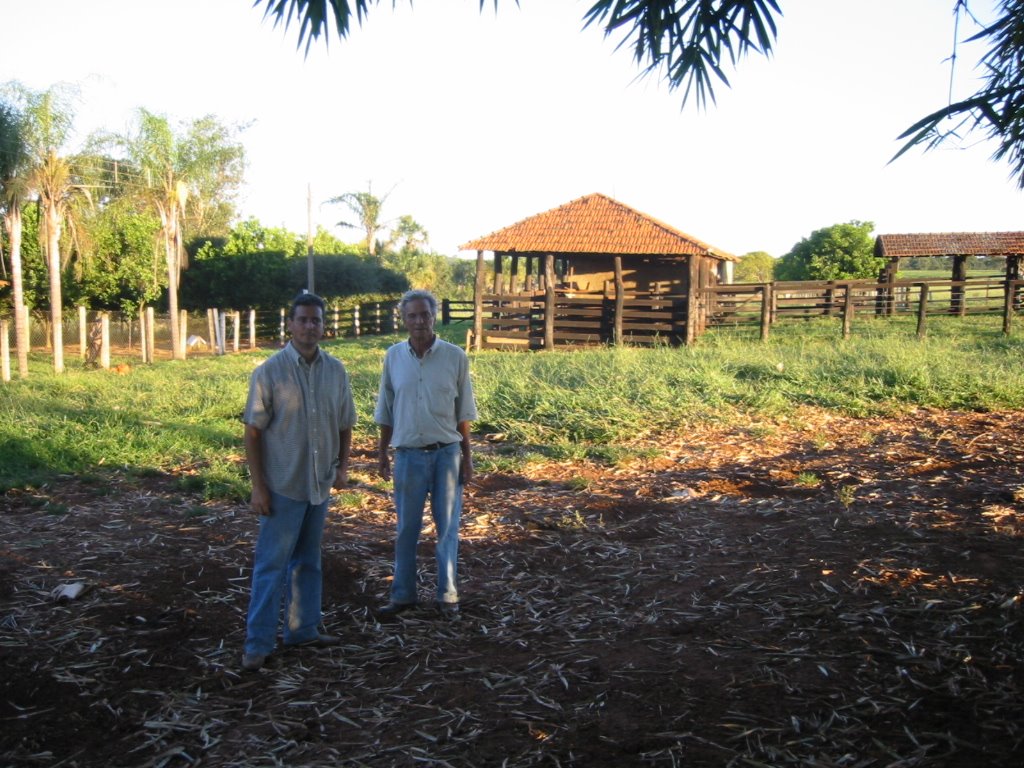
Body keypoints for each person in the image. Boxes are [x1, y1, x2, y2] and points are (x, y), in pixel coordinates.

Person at [240, 292, 357, 671]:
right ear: (289, 325)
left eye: (316, 321)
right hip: (282, 486)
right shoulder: (270, 372)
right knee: (271, 565)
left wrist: (342, 468)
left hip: (318, 485)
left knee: (309, 561)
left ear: (324, 326)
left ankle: (303, 629)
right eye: (303, 320)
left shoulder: (335, 370)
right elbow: (253, 433)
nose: (310, 327)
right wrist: (258, 487)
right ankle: (257, 644)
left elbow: (345, 423)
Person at [375, 289, 477, 619]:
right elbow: (386, 408)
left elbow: (463, 412)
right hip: (407, 455)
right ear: (403, 320)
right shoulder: (393, 357)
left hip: (447, 455)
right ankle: (403, 595)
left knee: (447, 528)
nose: (420, 321)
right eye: (413, 316)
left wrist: (467, 457)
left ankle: (447, 595)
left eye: (425, 315)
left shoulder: (455, 357)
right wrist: (382, 453)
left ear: (434, 317)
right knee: (407, 529)